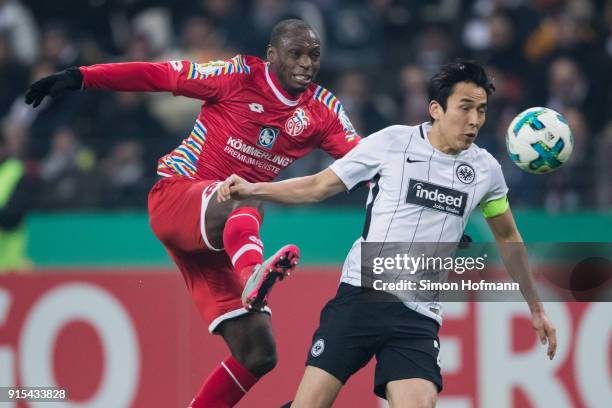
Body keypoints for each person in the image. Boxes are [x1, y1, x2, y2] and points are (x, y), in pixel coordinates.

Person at [25, 19, 360, 408]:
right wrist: (83, 76)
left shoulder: (323, 111)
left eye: (314, 55)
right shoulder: (236, 75)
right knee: (246, 192)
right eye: (296, 53)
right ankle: (252, 272)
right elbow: (158, 75)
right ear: (272, 55)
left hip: (223, 238)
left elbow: (365, 162)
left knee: (258, 353)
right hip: (177, 198)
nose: (306, 63)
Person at [218, 60, 558, 408]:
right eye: (465, 108)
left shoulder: (486, 171)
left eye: (482, 110)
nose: (474, 120)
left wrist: (535, 307)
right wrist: (253, 189)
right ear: (436, 109)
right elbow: (318, 186)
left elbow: (508, 238)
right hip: (362, 296)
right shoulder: (392, 143)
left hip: (418, 315)